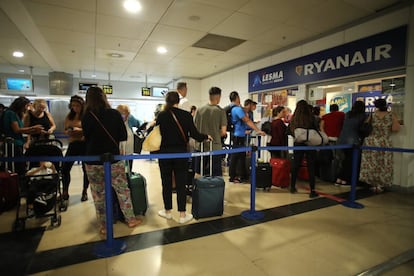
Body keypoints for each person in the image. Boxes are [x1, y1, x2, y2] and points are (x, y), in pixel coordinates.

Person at [82, 87, 141, 236]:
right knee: (122, 190)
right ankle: (131, 219)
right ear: (104, 97)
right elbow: (122, 136)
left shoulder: (87, 116)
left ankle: (104, 226)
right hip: (113, 158)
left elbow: (86, 137)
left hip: (93, 160)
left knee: (98, 194)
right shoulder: (114, 114)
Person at [156, 91, 212, 224]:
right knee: (181, 182)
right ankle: (182, 214)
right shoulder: (186, 115)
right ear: (178, 101)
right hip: (181, 153)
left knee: (166, 182)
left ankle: (167, 211)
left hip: (164, 154)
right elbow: (195, 134)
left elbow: (157, 134)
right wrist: (206, 137)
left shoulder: (161, 115)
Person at [359, 99, 400, 192]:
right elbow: (395, 129)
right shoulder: (391, 115)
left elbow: (366, 125)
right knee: (383, 163)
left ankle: (373, 184)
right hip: (384, 141)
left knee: (371, 163)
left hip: (371, 141)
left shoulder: (372, 115)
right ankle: (381, 184)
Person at [1, 96, 43, 177]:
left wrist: (34, 131)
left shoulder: (16, 115)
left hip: (18, 144)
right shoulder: (10, 113)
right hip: (12, 144)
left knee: (21, 166)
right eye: (27, 106)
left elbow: (22, 130)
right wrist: (33, 128)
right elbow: (17, 130)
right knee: (15, 168)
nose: (27, 108)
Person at [229, 92, 265, 183]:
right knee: (235, 157)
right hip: (238, 136)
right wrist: (258, 130)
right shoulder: (237, 109)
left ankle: (242, 176)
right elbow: (247, 120)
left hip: (239, 135)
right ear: (237, 98)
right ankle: (233, 176)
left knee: (241, 156)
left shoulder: (235, 108)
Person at [289, 100, 319, 198]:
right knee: (311, 166)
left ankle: (292, 187)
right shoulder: (311, 118)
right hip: (310, 144)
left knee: (296, 165)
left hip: (298, 143)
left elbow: (289, 131)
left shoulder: (294, 119)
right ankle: (312, 190)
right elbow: (316, 130)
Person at [194, 87, 227, 176]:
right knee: (215, 174)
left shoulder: (199, 110)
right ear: (218, 97)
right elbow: (223, 132)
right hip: (215, 147)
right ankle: (213, 190)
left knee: (198, 172)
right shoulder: (220, 111)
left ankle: (198, 189)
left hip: (200, 146)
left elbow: (194, 128)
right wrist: (215, 134)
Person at [61, 95, 89, 202]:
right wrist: (68, 131)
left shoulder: (86, 116)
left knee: (85, 169)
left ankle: (84, 191)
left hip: (84, 144)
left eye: (77, 105)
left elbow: (89, 130)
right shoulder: (70, 116)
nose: (75, 108)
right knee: (65, 168)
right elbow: (65, 128)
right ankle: (65, 191)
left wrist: (80, 130)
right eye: (73, 106)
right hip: (73, 144)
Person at [335, 100, 367, 186]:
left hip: (342, 140)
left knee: (344, 161)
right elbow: (363, 129)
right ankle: (346, 180)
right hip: (353, 141)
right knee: (351, 162)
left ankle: (339, 178)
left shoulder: (348, 114)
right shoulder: (362, 116)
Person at [116, 104, 136, 171]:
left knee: (129, 169)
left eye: (126, 114)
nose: (124, 116)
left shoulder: (130, 120)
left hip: (129, 151)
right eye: (122, 114)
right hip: (119, 151)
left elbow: (139, 123)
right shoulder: (115, 122)